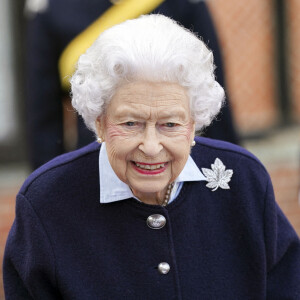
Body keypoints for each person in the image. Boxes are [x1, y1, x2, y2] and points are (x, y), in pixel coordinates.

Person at [4, 15, 299, 299]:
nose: (151, 146)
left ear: (194, 122)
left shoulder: (244, 181)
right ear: (100, 122)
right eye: (130, 123)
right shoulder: (47, 200)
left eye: (170, 124)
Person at [25, 0, 239, 170]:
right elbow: (44, 115)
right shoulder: (52, 8)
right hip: (93, 163)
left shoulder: (183, 4)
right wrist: (50, 184)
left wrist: (228, 172)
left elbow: (211, 97)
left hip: (179, 163)